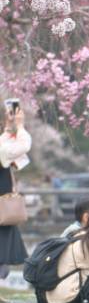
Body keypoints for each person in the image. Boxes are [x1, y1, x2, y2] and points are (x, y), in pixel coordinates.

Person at [0, 104, 31, 276]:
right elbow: (23, 146)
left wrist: (7, 127)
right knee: (2, 247)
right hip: (2, 205)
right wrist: (19, 125)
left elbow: (4, 147)